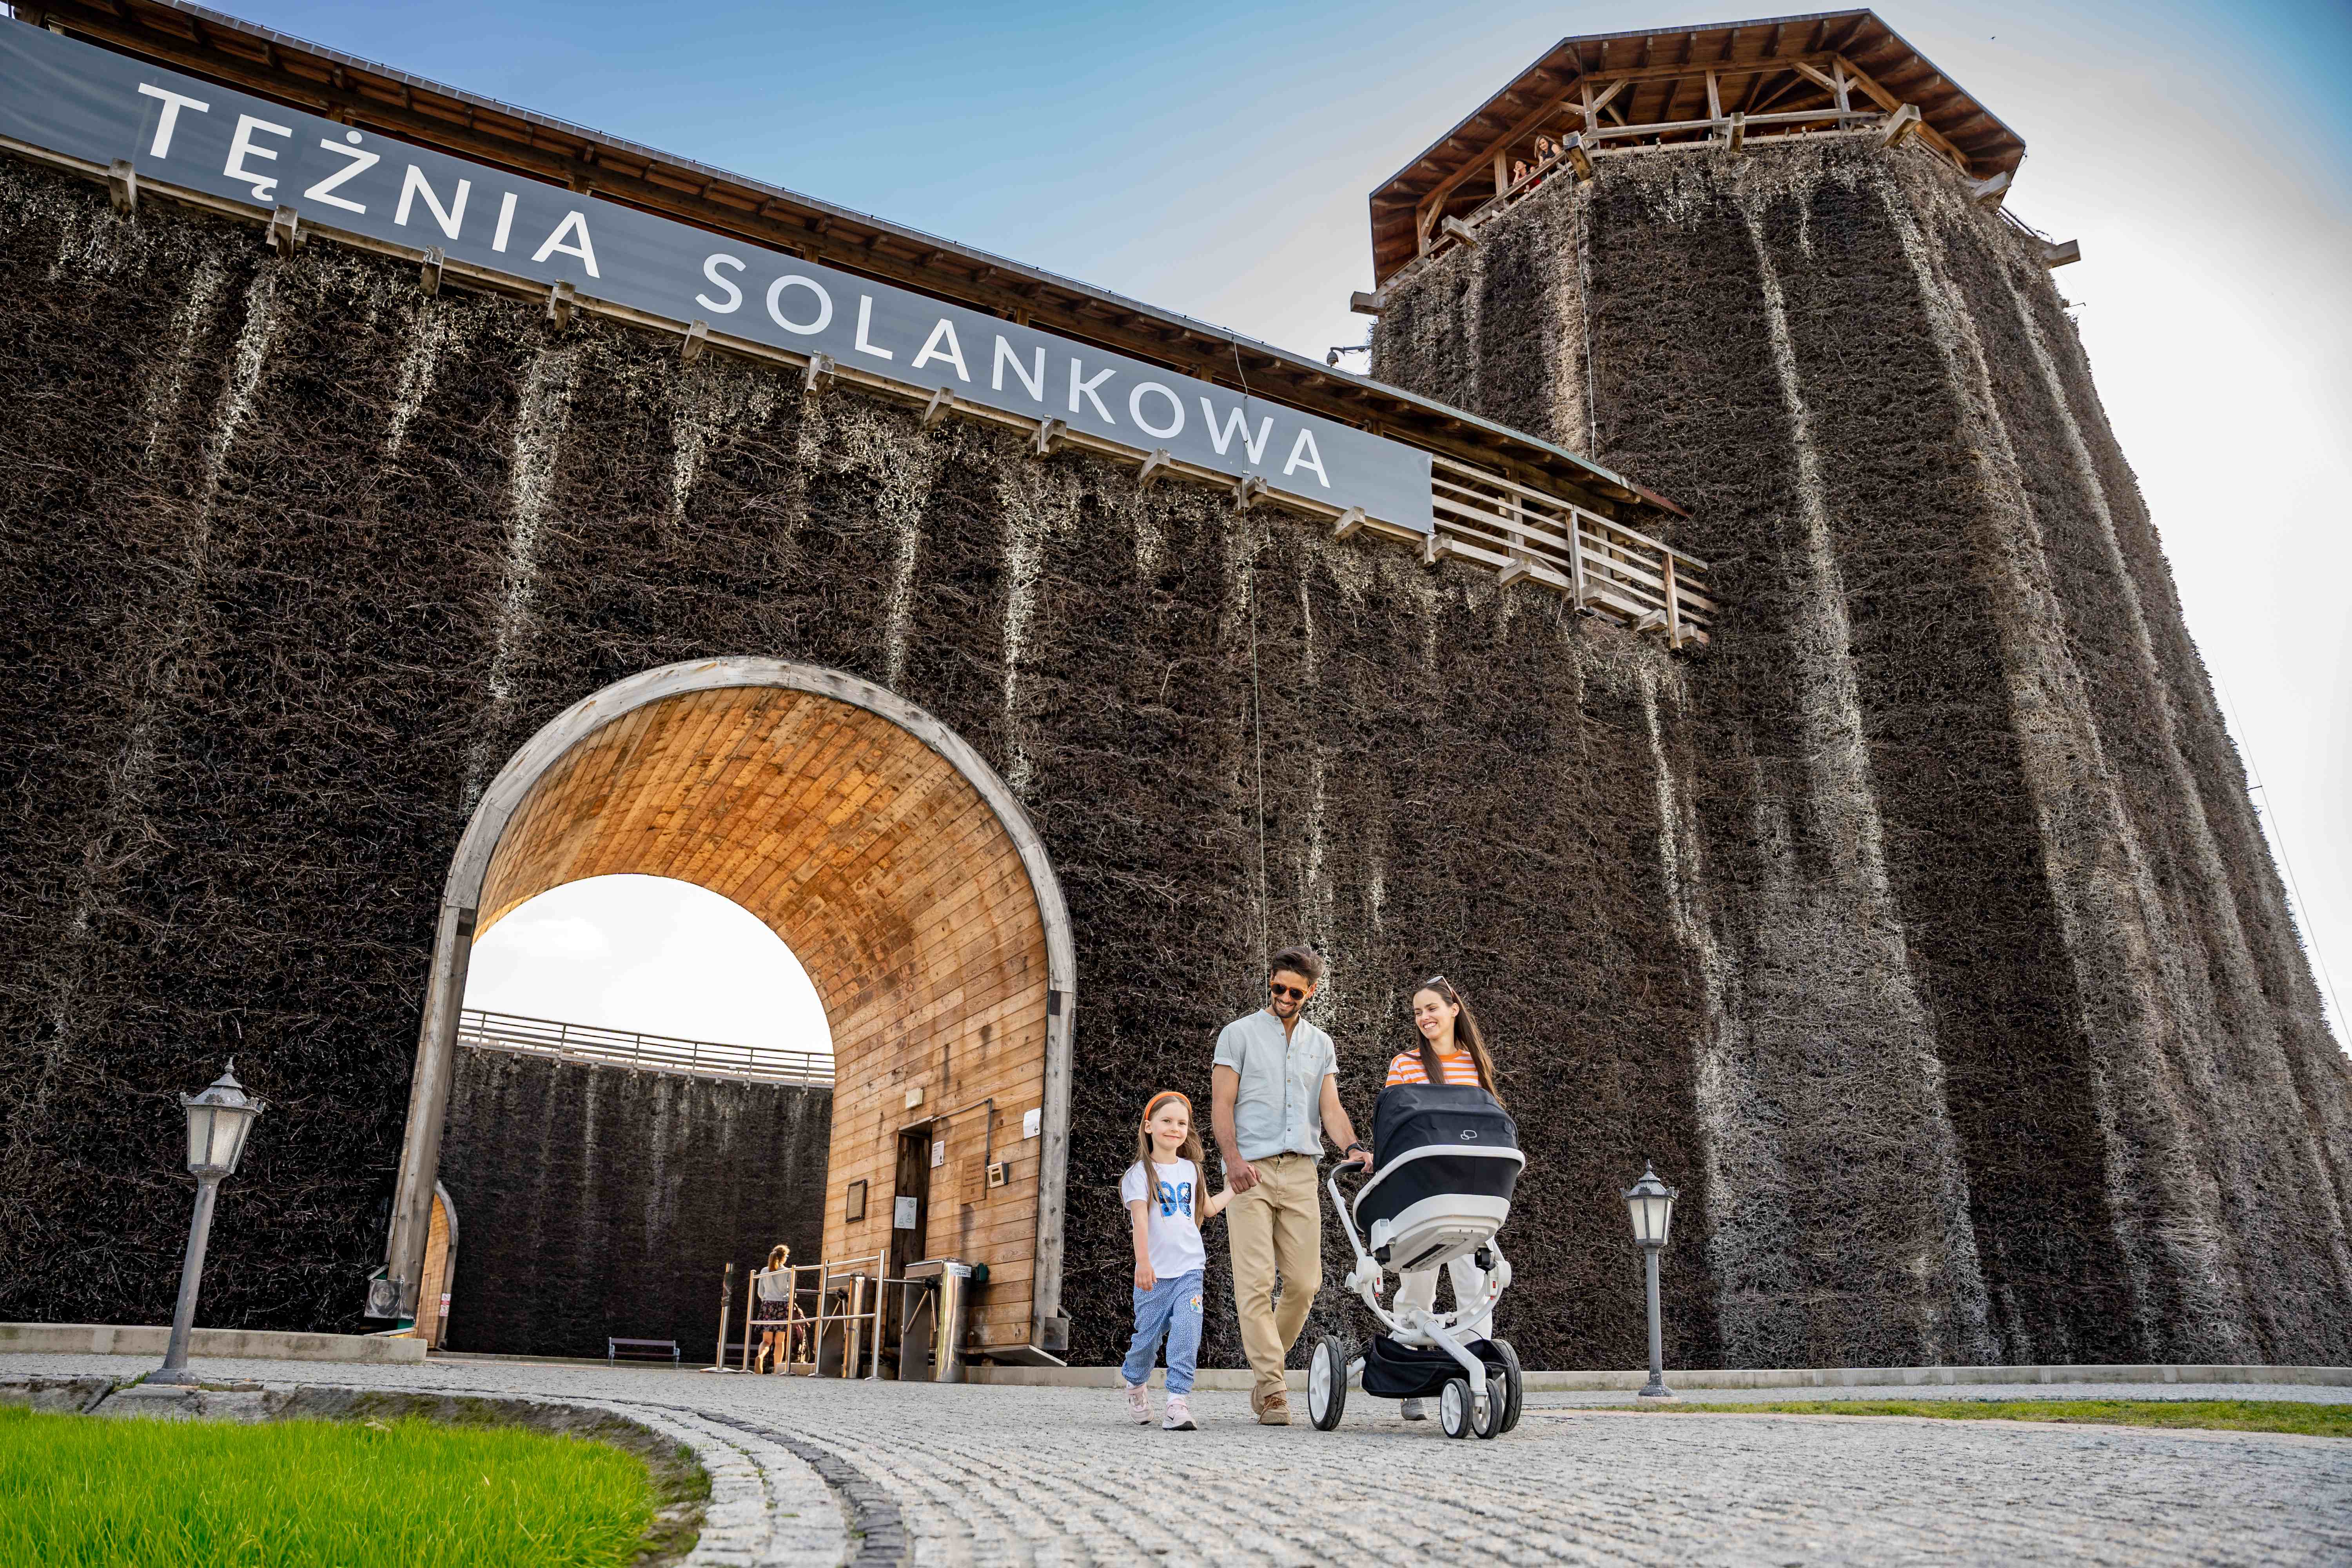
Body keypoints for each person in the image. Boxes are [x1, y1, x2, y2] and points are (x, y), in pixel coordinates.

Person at [1212, 944, 1370, 1425]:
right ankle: (1276, 1392)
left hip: (1302, 1172)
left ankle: (1264, 1375)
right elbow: (1222, 1105)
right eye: (1277, 987)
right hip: (1250, 1173)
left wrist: (1353, 1147)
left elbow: (1330, 1109)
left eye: (1293, 991)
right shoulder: (1237, 1034)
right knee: (1256, 1283)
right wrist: (1233, 1160)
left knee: (1305, 1283)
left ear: (1311, 992)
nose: (1283, 995)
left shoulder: (1321, 1044)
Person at [1383, 975, 1505, 1421]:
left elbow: (1490, 1127)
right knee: (1418, 1284)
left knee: (1477, 1284)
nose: (1424, 1017)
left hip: (1470, 1188)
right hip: (1423, 1190)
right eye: (1418, 1011)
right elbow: (1396, 1128)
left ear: (1454, 1008)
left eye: (1432, 1007)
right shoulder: (1406, 1064)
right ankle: (1409, 1375)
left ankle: (1479, 1376)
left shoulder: (1475, 1065)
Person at [1120, 1090, 1230, 1431]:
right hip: (1154, 1274)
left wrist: (1236, 1189)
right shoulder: (1139, 1174)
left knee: (1187, 1330)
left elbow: (1207, 1210)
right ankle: (1136, 1384)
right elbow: (1140, 1223)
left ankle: (1177, 1402)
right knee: (1146, 1341)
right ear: (1149, 1126)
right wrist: (1143, 1263)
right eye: (1167, 1121)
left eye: (1182, 1123)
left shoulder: (1192, 1170)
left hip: (1190, 1270)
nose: (1175, 1128)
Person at [753, 1243, 794, 1374]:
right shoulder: (788, 1271)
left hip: (767, 1305)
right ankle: (777, 1369)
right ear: (784, 1257)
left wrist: (766, 1300)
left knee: (766, 1340)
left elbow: (760, 1292)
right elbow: (791, 1291)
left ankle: (761, 1357)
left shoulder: (764, 1271)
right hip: (782, 1305)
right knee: (780, 1341)